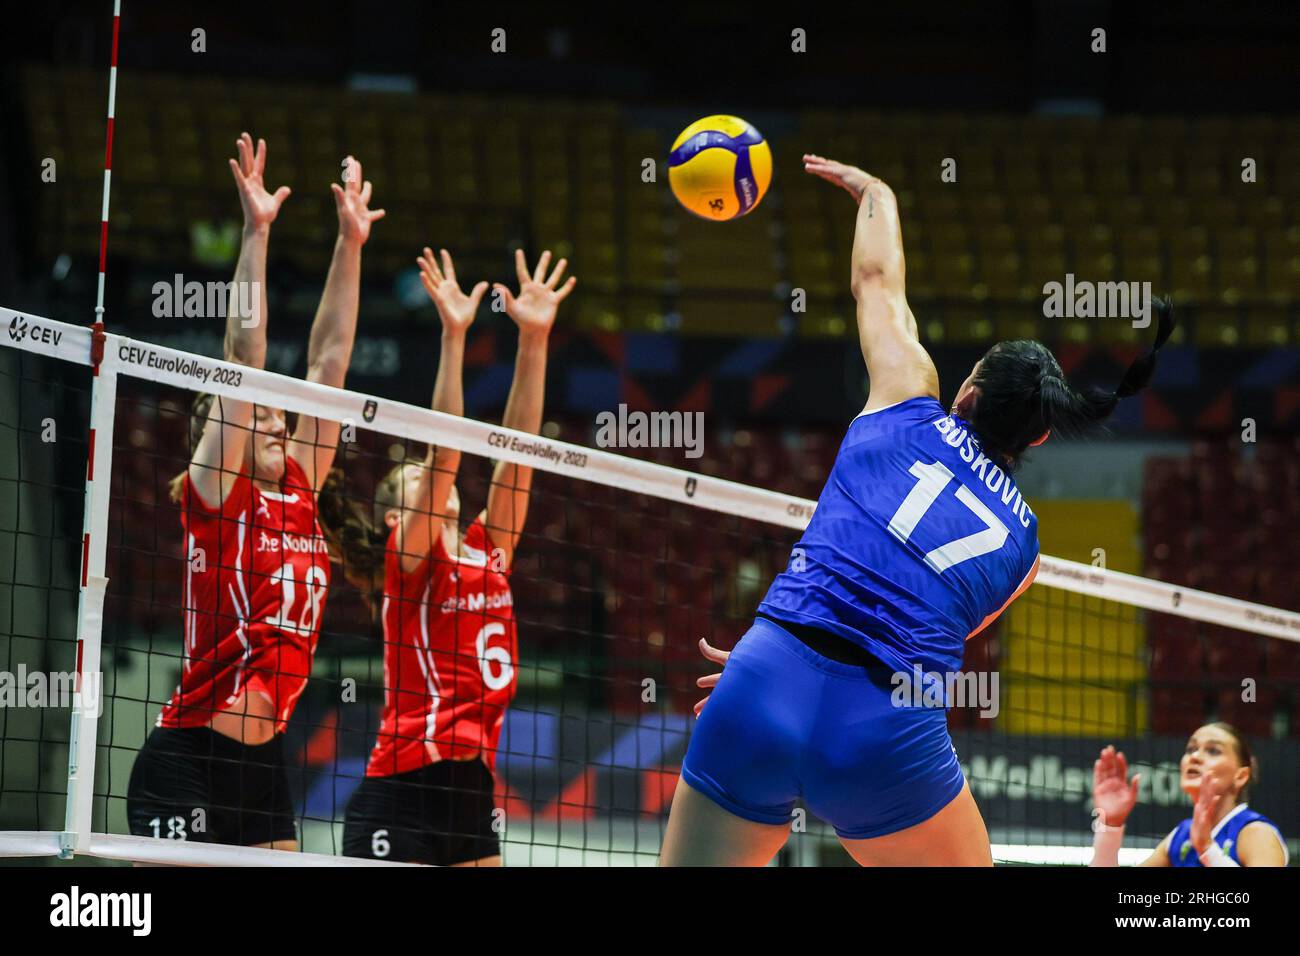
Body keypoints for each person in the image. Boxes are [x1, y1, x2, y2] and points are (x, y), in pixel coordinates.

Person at [660, 154, 1174, 867]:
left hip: (761, 675)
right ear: (1042, 436)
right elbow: (930, 626)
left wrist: (876, 192)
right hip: (884, 732)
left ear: (966, 390)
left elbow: (876, 280)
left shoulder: (906, 396)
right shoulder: (1022, 547)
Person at [126, 135, 384, 850]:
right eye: (256, 413)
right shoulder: (217, 498)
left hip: (264, 766)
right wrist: (255, 232)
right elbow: (245, 361)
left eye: (278, 411)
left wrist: (350, 244)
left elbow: (328, 366)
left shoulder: (300, 484)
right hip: (189, 762)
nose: (274, 417)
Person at [334, 248, 573, 865]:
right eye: (416, 480)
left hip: (471, 789)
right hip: (403, 789)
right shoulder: (409, 556)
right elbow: (446, 451)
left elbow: (517, 453)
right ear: (395, 516)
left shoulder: (488, 549)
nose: (433, 480)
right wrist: (453, 336)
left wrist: (534, 341)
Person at [1091, 725, 1288, 866]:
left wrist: (1207, 849)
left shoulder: (1255, 832)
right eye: (1191, 749)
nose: (1194, 756)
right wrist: (1110, 825)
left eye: (1213, 750)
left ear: (1241, 776)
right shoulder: (1182, 834)